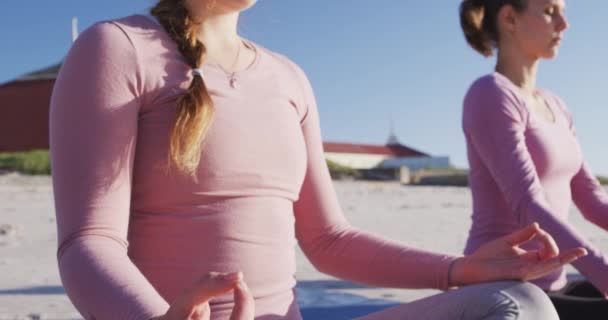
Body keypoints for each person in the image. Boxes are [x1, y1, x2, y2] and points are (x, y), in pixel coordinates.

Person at [50, 0, 585, 319]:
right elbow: (88, 243)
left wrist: (458, 270)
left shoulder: (288, 78)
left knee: (517, 303)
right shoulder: (117, 48)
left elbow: (329, 240)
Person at [459, 0, 608, 318]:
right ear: (510, 18)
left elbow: (592, 198)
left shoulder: (556, 104)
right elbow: (529, 204)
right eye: (551, 11)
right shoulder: (490, 94)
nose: (564, 24)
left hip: (552, 284)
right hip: (501, 290)